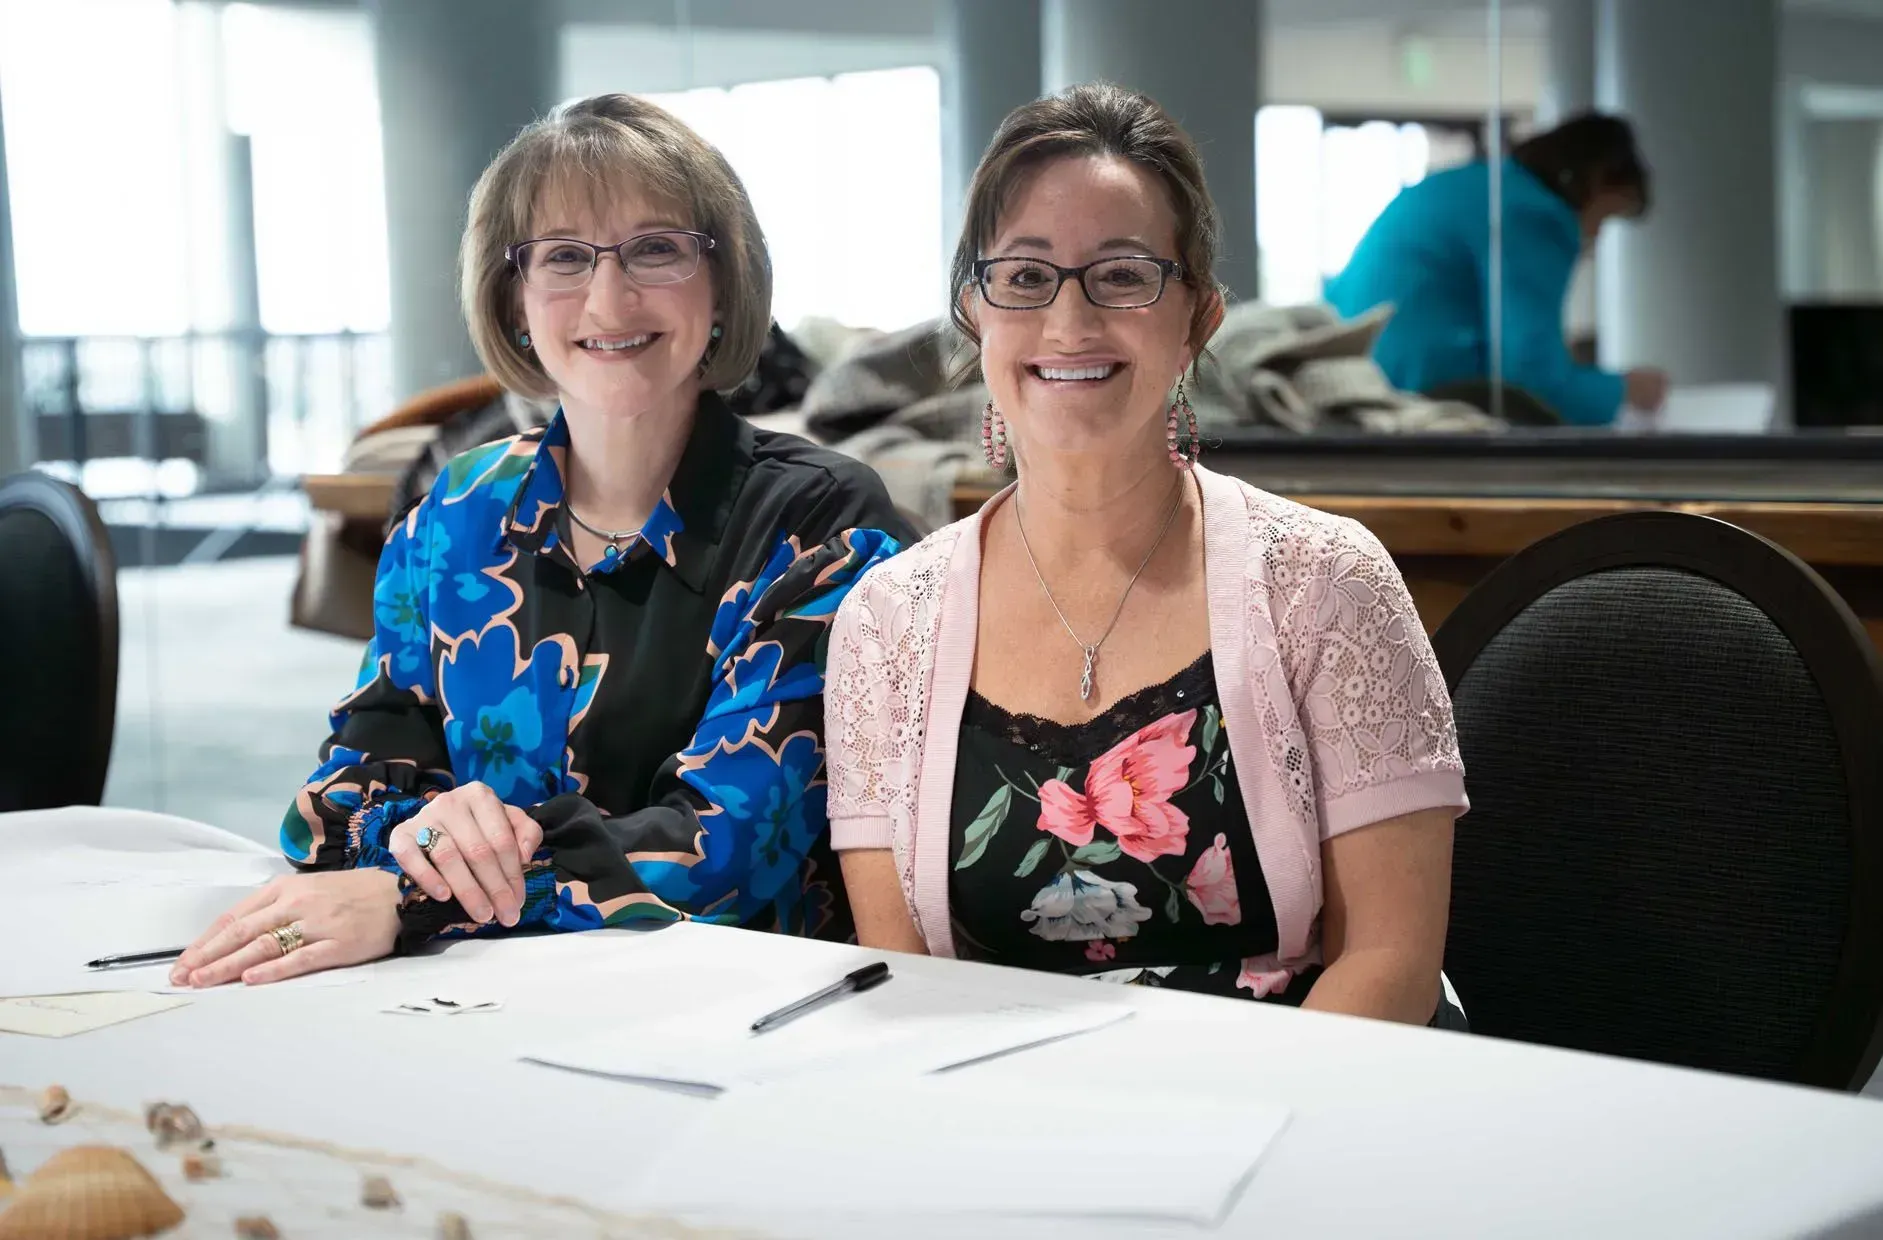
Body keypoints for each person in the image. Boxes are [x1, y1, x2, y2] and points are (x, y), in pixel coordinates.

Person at [172, 94, 911, 987]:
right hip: (474, 1001)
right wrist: (415, 834)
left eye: (656, 250)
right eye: (563, 257)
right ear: (515, 302)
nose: (608, 296)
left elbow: (724, 852)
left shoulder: (819, 521)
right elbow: (337, 800)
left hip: (734, 1015)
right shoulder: (458, 509)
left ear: (723, 287)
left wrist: (412, 898)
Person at [824, 83, 1469, 1026]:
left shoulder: (1329, 583)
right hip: (1002, 1126)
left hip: (1299, 1105)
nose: (1070, 323)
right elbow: (906, 983)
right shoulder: (885, 623)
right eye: (1026, 276)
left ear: (1198, 318)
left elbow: (1390, 964)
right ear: (975, 312)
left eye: (1122, 275)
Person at [1327, 112, 1665, 427]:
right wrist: (1624, 390)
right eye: (1604, 217)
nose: (1595, 235)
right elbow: (1531, 376)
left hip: (1362, 380)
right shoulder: (1534, 214)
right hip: (1423, 398)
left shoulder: (1480, 186)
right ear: (1596, 181)